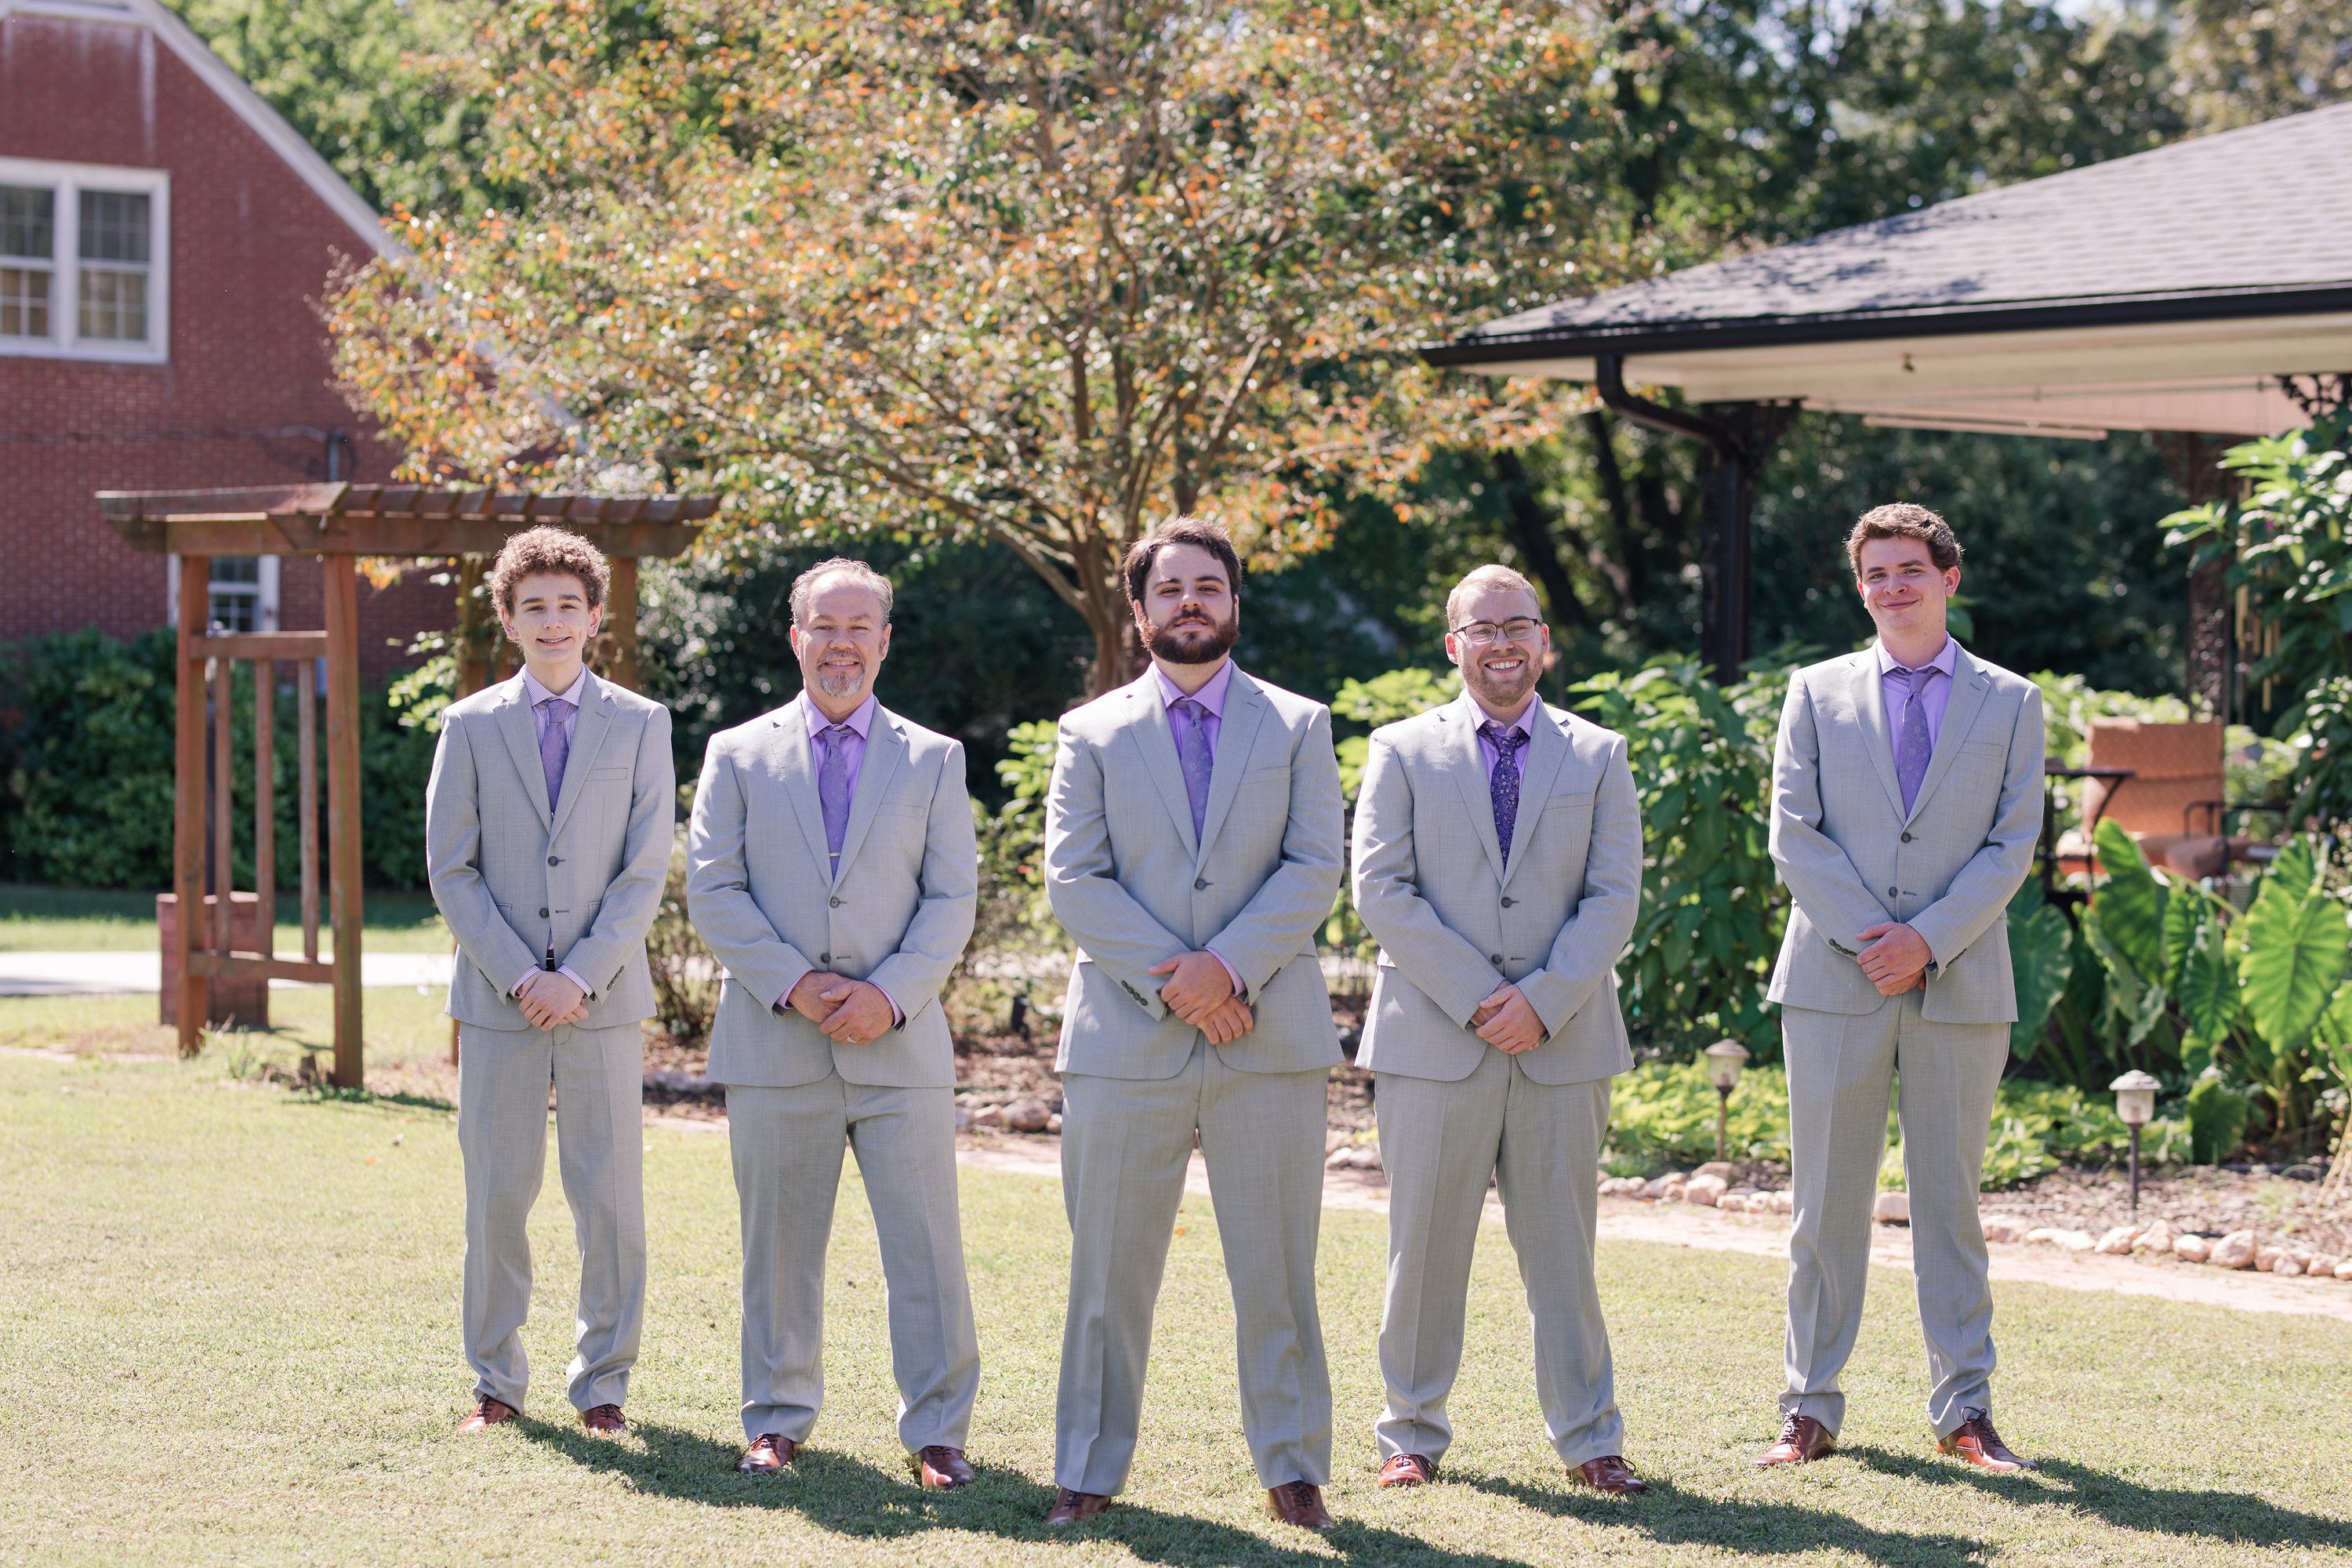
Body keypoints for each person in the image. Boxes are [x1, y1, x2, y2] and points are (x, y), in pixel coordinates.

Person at [1040, 517, 1346, 1531]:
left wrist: (1230, 970)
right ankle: (1087, 1464)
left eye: (1208, 586)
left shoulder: (1299, 726)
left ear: (1235, 602)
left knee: (1278, 1270)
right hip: (1127, 1040)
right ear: (1138, 612)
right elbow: (1073, 878)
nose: (1190, 603)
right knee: (1107, 1272)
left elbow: (1314, 866)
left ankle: (1294, 1465)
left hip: (1267, 1037)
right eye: (1170, 590)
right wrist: (1182, 981)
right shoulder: (1089, 734)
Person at [1349, 564, 1648, 1496]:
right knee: (1425, 1245)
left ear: (1544, 639)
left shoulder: (1598, 754)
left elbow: (1613, 894)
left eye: (1518, 624)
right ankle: (1410, 1432)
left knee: (1564, 1246)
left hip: (1563, 1040)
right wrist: (1484, 995)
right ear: (1454, 644)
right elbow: (1380, 889)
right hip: (1436, 1034)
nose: (1502, 642)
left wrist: (1545, 997)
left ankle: (1590, 1436)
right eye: (1483, 628)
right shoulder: (1400, 749)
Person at [1759, 503, 2045, 1472]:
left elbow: (2013, 842)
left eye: (1909, 568)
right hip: (1833, 979)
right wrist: (1876, 938)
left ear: (1948, 576)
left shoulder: (2012, 701)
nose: (1892, 586)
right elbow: (1793, 830)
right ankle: (1808, 1406)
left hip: (1960, 982)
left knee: (1951, 1204)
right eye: (1875, 572)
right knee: (1824, 1203)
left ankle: (1964, 1409)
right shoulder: (1814, 689)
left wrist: (1927, 939)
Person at [686, 557, 982, 1485]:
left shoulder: (934, 757)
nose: (842, 643)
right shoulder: (736, 753)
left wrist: (887, 992)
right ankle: (776, 1418)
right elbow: (715, 887)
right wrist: (797, 984)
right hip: (778, 1037)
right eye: (824, 625)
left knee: (927, 1245)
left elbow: (950, 898)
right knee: (777, 1247)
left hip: (900, 1040)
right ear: (796, 636)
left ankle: (938, 1431)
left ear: (885, 641)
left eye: (860, 626)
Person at [426, 526, 674, 1436]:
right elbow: (452, 868)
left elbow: (645, 869)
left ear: (596, 616)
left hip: (603, 1003)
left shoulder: (644, 724)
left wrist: (578, 975)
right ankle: (496, 1381)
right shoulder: (470, 725)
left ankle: (603, 1383)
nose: (553, 620)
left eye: (570, 604)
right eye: (535, 605)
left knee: (609, 1199)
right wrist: (524, 975)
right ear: (508, 618)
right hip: (499, 1004)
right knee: (497, 1195)